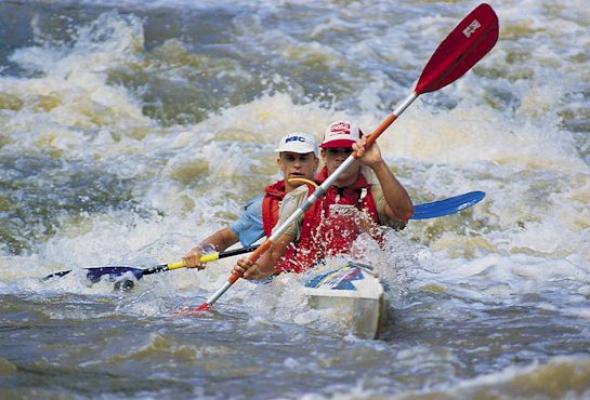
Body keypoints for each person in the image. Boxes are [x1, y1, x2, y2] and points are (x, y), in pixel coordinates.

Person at [233, 120, 414, 279]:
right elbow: (274, 254)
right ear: (324, 156)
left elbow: (404, 213)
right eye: (334, 151)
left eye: (349, 151)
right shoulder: (301, 197)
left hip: (371, 278)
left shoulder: (376, 193)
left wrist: (377, 163)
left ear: (361, 156)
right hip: (313, 278)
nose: (342, 157)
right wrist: (257, 271)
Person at [182, 132, 320, 268]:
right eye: (290, 158)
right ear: (280, 163)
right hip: (284, 278)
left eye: (303, 159)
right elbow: (225, 237)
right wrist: (200, 250)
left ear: (316, 163)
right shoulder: (263, 207)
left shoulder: (331, 197)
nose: (296, 165)